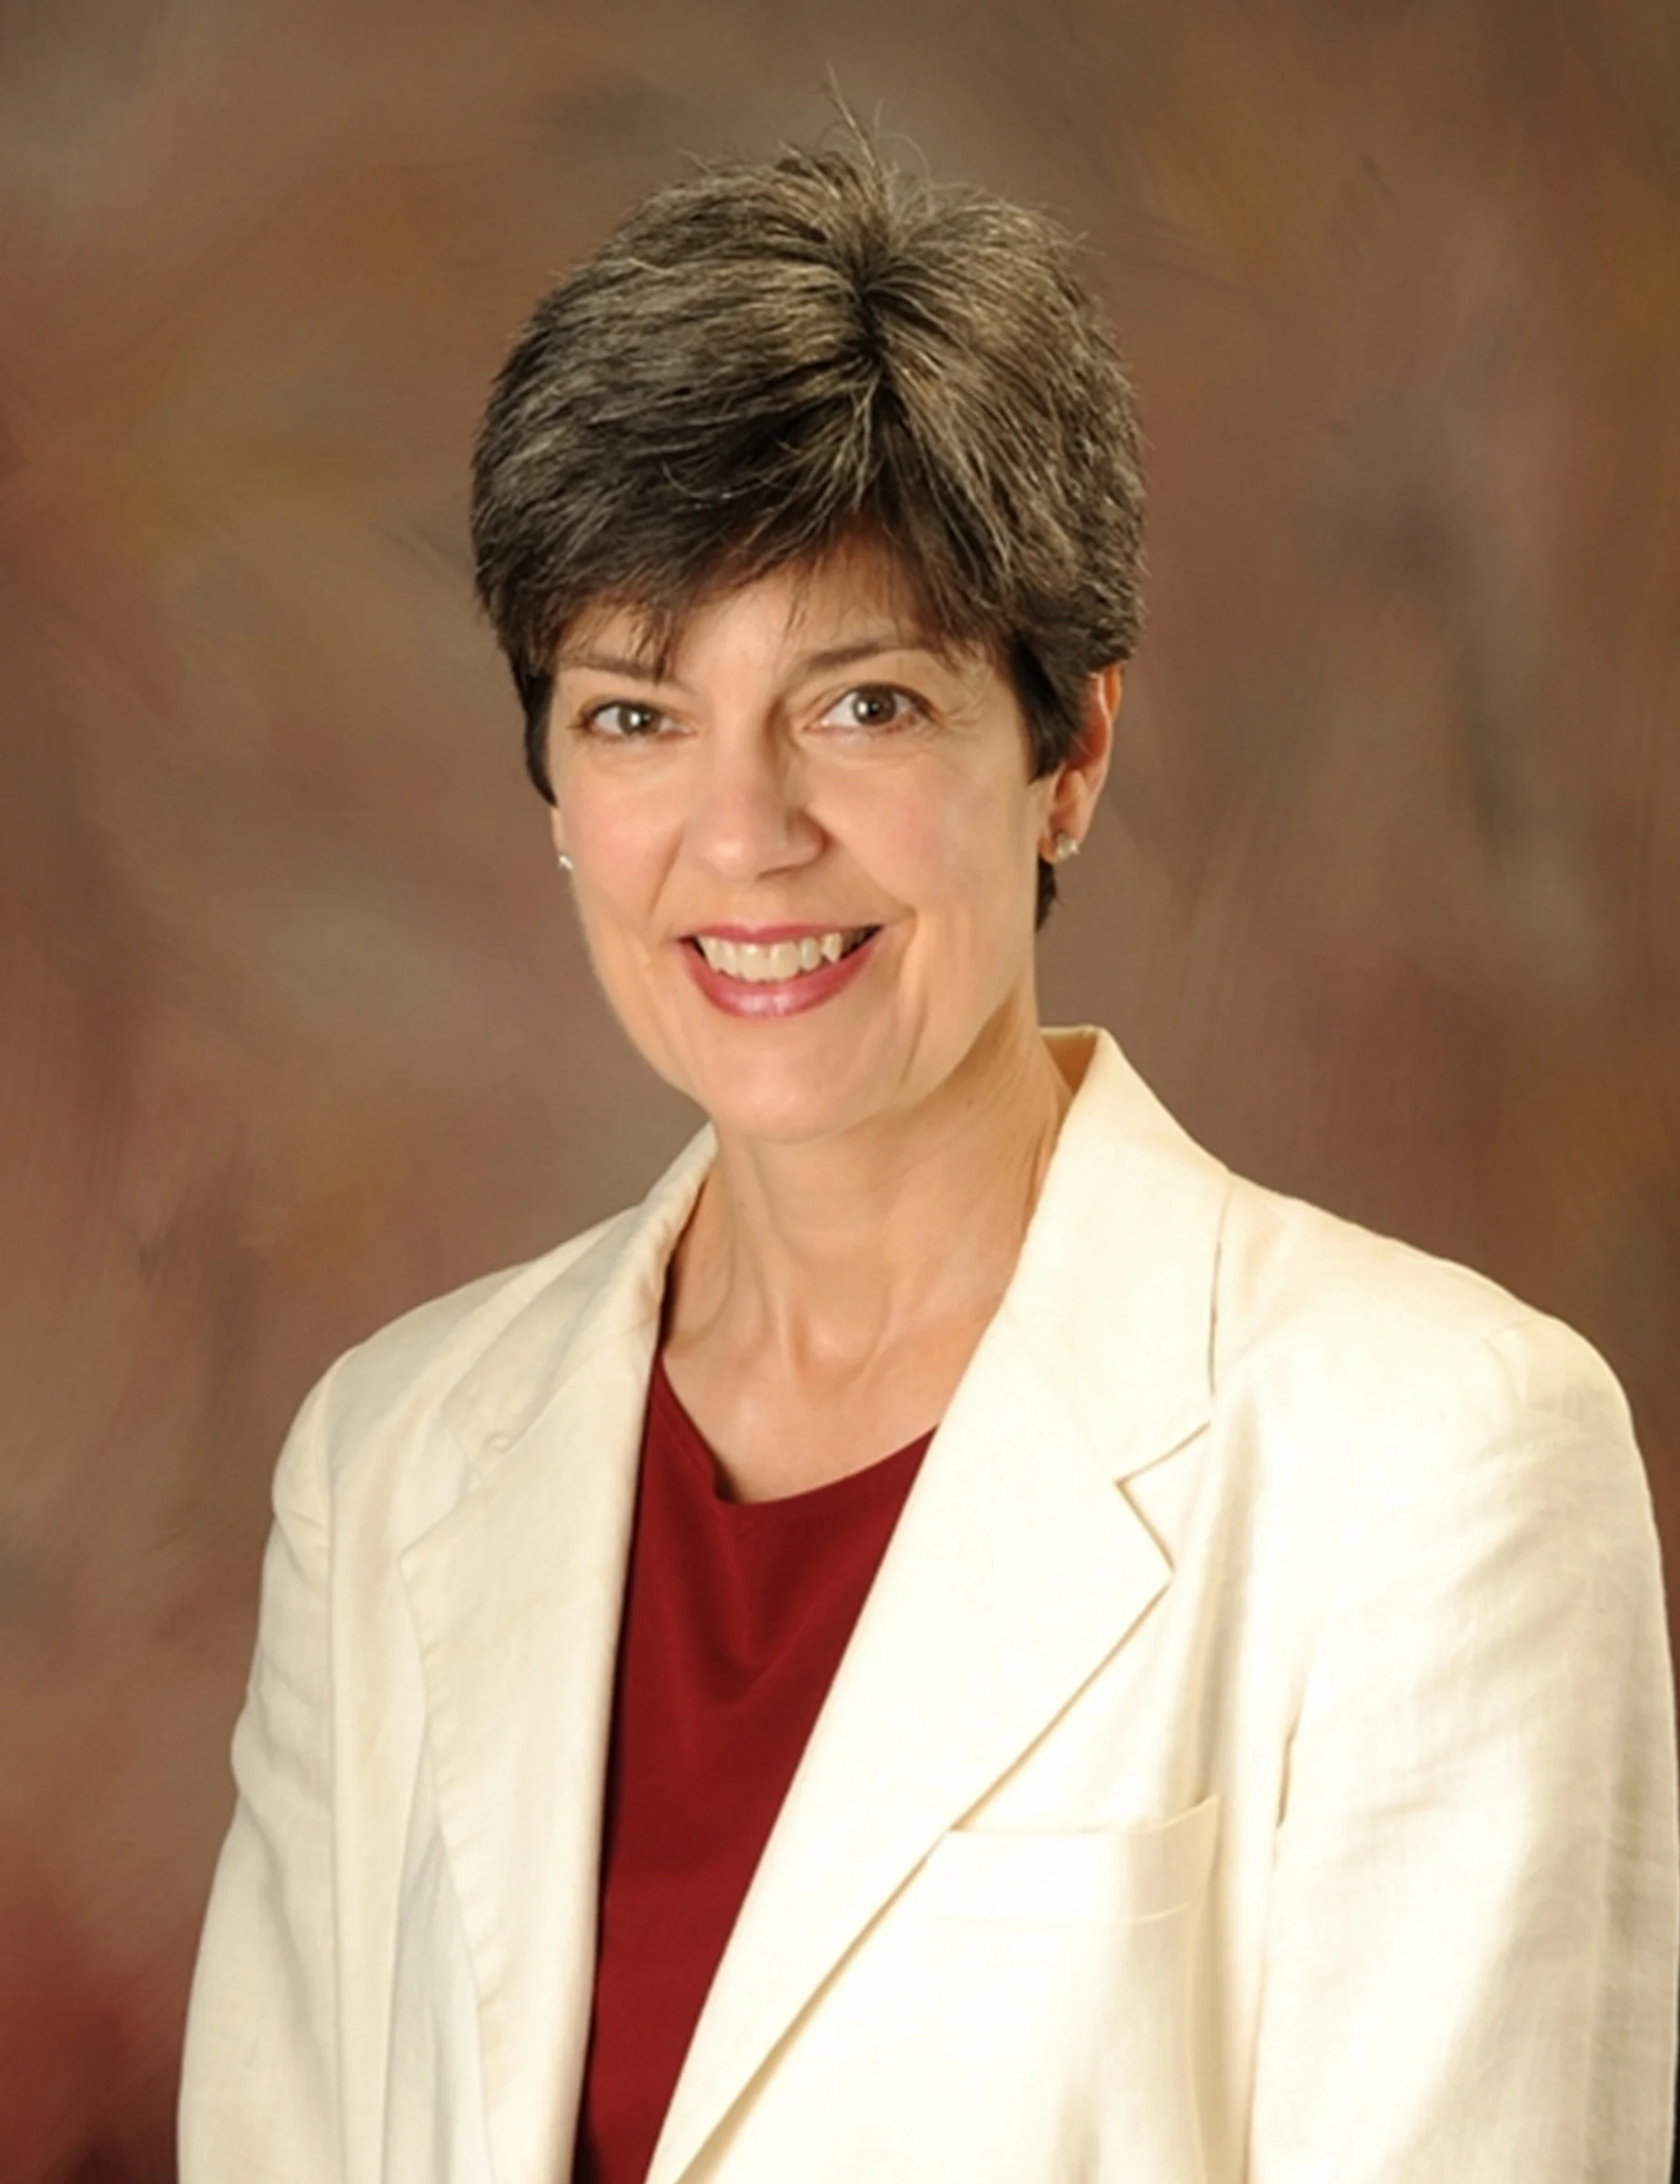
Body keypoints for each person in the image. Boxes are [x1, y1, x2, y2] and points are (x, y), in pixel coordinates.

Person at [177, 136, 1678, 2184]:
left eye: (863, 705)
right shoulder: (386, 1462)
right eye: (634, 716)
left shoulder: (1434, 1462)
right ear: (550, 783)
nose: (743, 835)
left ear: (1068, 754)